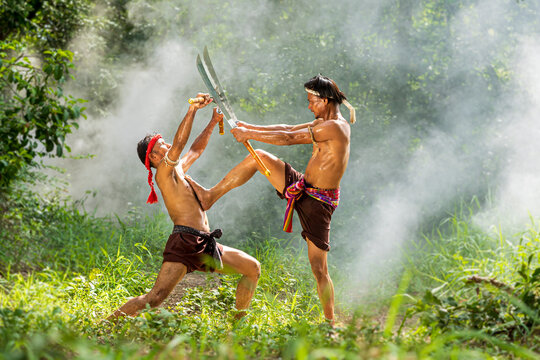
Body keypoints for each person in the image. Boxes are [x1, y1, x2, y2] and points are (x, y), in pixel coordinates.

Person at [186, 76, 354, 324]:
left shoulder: (336, 127)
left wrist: (248, 133)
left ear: (324, 99)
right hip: (303, 186)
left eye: (311, 101)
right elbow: (287, 128)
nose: (309, 106)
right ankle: (210, 196)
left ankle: (330, 322)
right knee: (259, 157)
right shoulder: (322, 121)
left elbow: (289, 139)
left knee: (319, 269)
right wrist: (247, 127)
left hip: (319, 203)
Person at [107, 93, 261, 320]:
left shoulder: (177, 169)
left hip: (204, 242)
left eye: (166, 143)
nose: (168, 145)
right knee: (154, 298)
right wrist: (192, 111)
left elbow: (195, 150)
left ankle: (237, 325)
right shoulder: (163, 174)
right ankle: (105, 324)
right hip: (185, 243)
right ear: (156, 156)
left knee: (252, 268)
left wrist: (212, 122)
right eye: (163, 145)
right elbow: (180, 144)